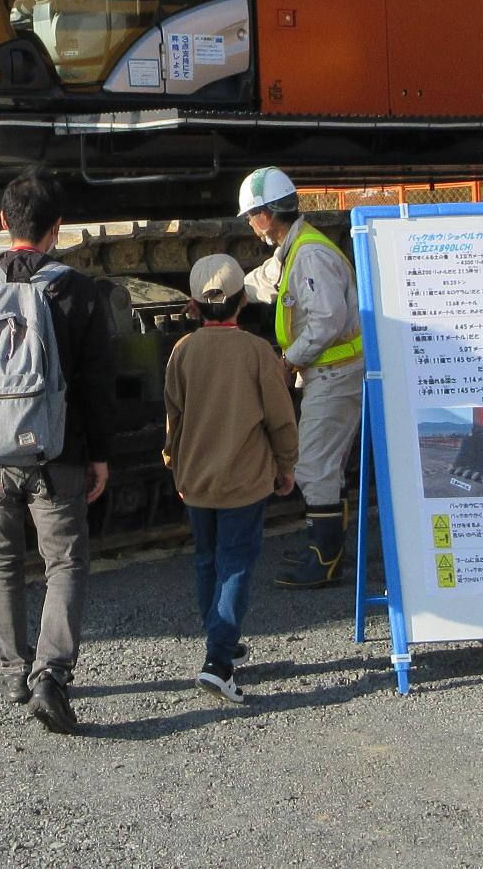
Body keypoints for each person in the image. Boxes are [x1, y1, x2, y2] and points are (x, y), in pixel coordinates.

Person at [0, 166, 113, 735]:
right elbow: (97, 384)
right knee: (64, 562)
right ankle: (51, 676)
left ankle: (13, 671)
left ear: (3, 221)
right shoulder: (78, 290)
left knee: (2, 560)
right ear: (58, 227)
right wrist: (100, 455)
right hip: (57, 456)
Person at [163, 253, 298, 704]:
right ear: (242, 303)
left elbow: (174, 420)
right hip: (246, 479)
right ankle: (219, 663)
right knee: (236, 562)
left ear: (195, 307)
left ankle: (220, 638)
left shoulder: (182, 351)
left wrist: (173, 463)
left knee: (207, 560)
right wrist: (286, 466)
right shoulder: (257, 352)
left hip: (196, 479)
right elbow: (280, 420)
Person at [238, 166, 367, 588]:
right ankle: (324, 550)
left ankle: (326, 558)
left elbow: (327, 319)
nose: (251, 225)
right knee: (324, 464)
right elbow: (268, 281)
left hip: (335, 373)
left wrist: (288, 359)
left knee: (314, 466)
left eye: (251, 216)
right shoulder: (295, 250)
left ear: (266, 213)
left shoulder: (309, 255)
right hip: (328, 372)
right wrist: (221, 291)